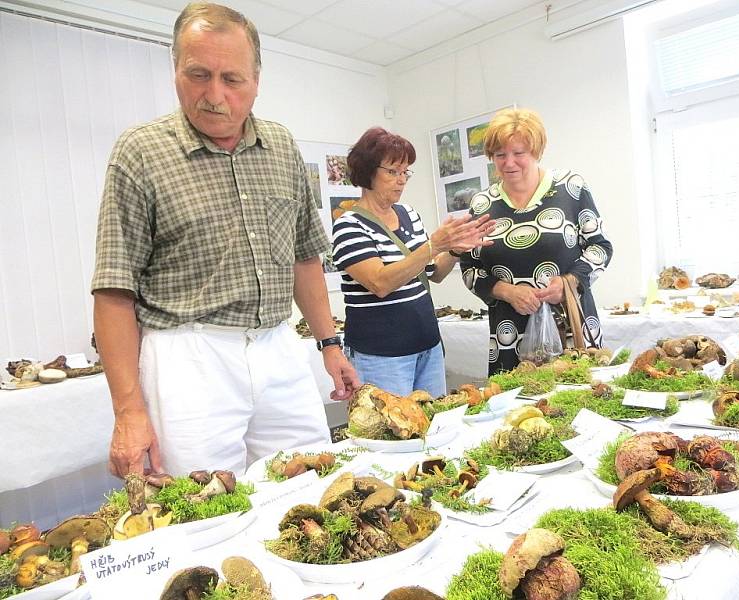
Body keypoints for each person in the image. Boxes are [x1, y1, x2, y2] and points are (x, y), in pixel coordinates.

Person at [91, 2, 358, 479]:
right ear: (175, 69)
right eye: (198, 74)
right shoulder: (140, 151)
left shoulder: (281, 146)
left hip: (279, 346)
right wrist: (129, 412)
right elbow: (114, 291)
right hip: (188, 358)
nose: (214, 95)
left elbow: (304, 256)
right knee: (207, 512)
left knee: (313, 486)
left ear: (257, 79)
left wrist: (329, 343)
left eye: (231, 79)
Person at [331, 127, 494, 397]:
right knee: (390, 434)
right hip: (382, 356)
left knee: (434, 429)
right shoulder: (349, 225)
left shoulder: (408, 214)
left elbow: (433, 273)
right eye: (392, 172)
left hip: (427, 346)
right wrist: (434, 246)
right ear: (367, 171)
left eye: (405, 172)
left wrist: (454, 250)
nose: (401, 180)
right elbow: (380, 282)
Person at [459, 108, 613, 375]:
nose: (509, 163)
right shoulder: (482, 204)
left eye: (519, 153)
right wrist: (507, 292)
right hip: (510, 335)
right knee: (515, 410)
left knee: (574, 404)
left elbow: (600, 248)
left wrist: (568, 283)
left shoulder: (570, 188)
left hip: (570, 326)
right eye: (500, 155)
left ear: (537, 151)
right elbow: (470, 267)